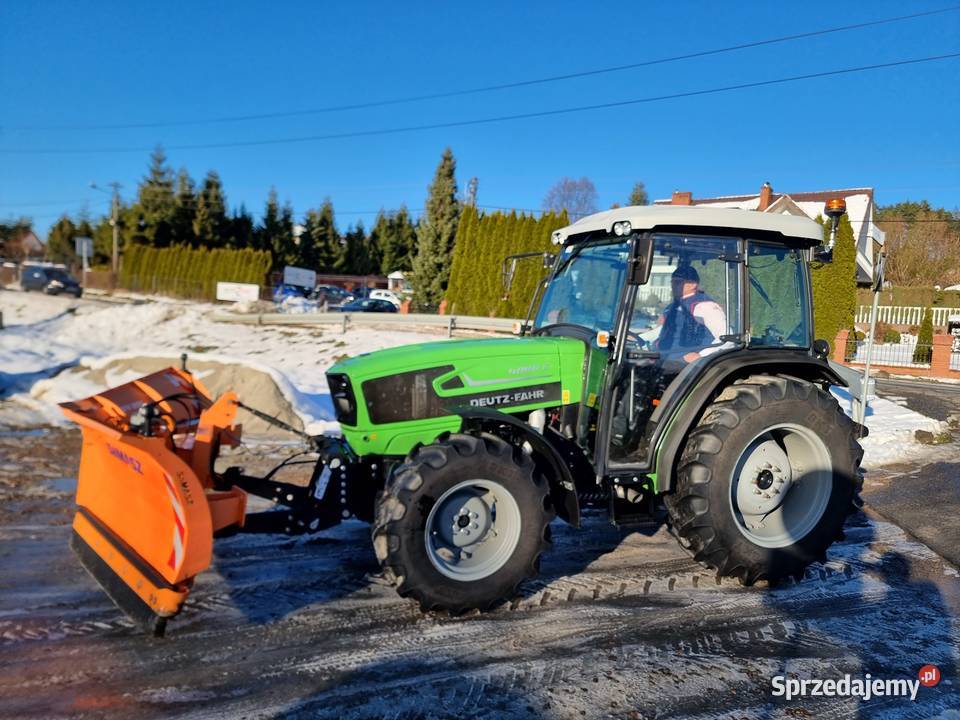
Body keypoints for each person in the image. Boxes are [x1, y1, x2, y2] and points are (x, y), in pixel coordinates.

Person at [656, 265, 727, 363]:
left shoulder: (705, 306)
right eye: (672, 282)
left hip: (686, 366)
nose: (673, 286)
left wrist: (701, 356)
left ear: (693, 284)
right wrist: (639, 339)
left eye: (678, 282)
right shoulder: (671, 307)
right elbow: (662, 333)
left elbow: (727, 338)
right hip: (663, 359)